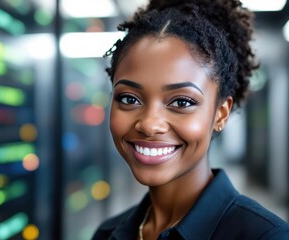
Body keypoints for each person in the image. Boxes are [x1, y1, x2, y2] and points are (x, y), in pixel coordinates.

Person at [91, 0, 289, 239]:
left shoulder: (266, 236)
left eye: (182, 102)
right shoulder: (107, 233)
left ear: (220, 113)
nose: (149, 124)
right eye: (130, 99)